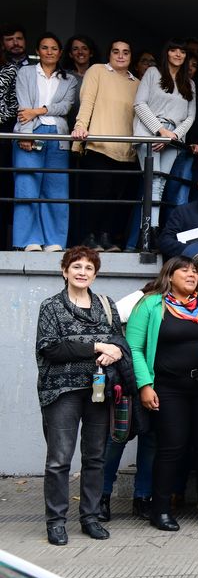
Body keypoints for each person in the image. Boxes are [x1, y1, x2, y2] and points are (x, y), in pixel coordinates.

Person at [35, 246, 130, 545]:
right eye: (76, 266)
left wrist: (114, 350)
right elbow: (51, 347)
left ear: (95, 274)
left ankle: (89, 517)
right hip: (61, 391)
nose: (82, 272)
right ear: (65, 271)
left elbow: (118, 340)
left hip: (97, 390)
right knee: (59, 460)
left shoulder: (106, 304)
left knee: (95, 458)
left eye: (88, 268)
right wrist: (97, 347)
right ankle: (56, 521)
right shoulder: (51, 306)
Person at [128, 256, 198, 531]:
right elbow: (134, 348)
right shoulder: (151, 304)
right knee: (172, 447)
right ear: (170, 275)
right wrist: (145, 385)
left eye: (195, 271)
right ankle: (161, 509)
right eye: (186, 271)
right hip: (167, 387)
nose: (193, 275)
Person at [70, 39, 142, 252]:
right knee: (97, 194)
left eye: (126, 52)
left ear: (131, 57)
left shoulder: (136, 83)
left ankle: (106, 238)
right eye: (116, 51)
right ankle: (89, 237)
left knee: (116, 199)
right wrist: (80, 126)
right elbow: (87, 101)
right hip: (98, 145)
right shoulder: (98, 71)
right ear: (109, 53)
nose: (120, 56)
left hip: (126, 150)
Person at [10, 33, 79, 251]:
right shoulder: (26, 72)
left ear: (60, 53)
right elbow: (23, 105)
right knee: (27, 187)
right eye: (44, 47)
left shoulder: (69, 79)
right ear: (37, 51)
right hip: (30, 132)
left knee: (56, 191)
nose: (49, 52)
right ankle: (28, 241)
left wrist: (39, 110)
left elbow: (65, 107)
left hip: (58, 136)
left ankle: (54, 241)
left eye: (54, 48)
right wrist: (27, 134)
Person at [133, 40, 196, 225]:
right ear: (166, 53)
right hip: (149, 131)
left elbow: (190, 117)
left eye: (182, 51)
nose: (178, 54)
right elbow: (139, 103)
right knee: (152, 182)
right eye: (173, 50)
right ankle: (149, 231)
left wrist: (173, 136)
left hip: (174, 137)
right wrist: (160, 131)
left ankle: (153, 228)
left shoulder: (189, 83)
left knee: (160, 184)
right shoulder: (153, 73)